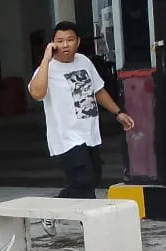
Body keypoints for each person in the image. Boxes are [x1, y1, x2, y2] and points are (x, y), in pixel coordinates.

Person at [29, 21, 134, 231]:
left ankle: (55, 212)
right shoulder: (46, 69)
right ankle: (94, 228)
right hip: (65, 138)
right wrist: (46, 59)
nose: (65, 45)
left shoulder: (84, 61)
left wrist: (118, 112)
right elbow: (37, 93)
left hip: (89, 135)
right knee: (83, 180)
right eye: (60, 41)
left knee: (91, 180)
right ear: (53, 44)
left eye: (70, 40)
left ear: (78, 42)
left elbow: (98, 91)